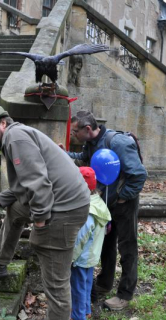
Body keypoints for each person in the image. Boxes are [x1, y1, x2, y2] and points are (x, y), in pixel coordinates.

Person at [0, 106, 90, 320]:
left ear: (3, 123)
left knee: (56, 285)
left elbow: (37, 183)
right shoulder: (16, 136)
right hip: (62, 201)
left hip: (64, 209)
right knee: (16, 208)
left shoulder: (15, 137)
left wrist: (40, 222)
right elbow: (20, 190)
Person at [62, 110, 147, 311]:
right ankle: (104, 283)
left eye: (75, 131)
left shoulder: (118, 143)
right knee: (106, 243)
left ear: (88, 129)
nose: (73, 135)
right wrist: (62, 154)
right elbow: (83, 159)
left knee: (128, 247)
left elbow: (139, 175)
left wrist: (122, 197)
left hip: (124, 204)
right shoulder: (90, 143)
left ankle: (125, 294)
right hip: (105, 203)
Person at [71, 167, 111, 320]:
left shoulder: (88, 211)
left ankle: (78, 316)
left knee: (78, 289)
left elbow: (81, 238)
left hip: (81, 258)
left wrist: (72, 257)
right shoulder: (99, 203)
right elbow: (107, 227)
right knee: (86, 285)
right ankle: (86, 310)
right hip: (92, 255)